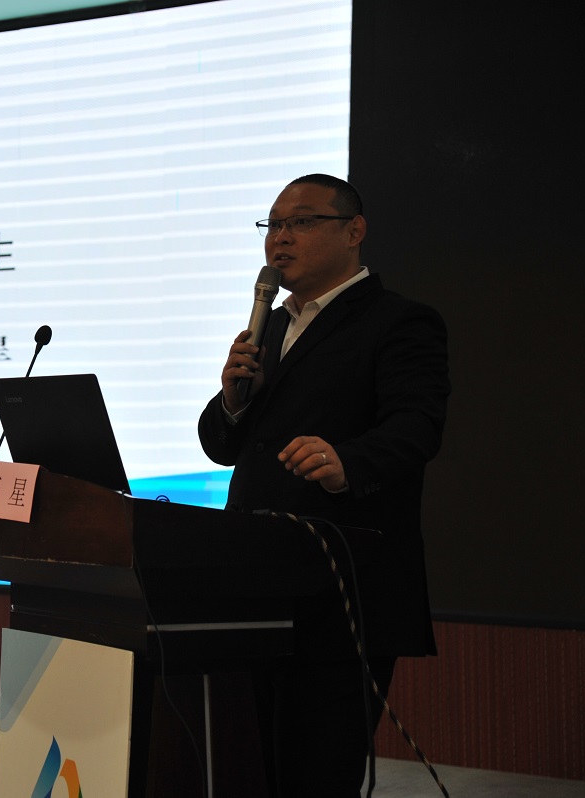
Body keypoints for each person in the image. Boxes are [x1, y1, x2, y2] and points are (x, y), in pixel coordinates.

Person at [197, 174, 450, 796]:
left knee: (316, 776)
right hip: (254, 588)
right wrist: (232, 400)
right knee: (249, 772)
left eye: (302, 222)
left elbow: (417, 427)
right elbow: (224, 445)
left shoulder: (400, 322)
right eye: (273, 225)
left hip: (341, 590)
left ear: (354, 231)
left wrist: (348, 462)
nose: (280, 238)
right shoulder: (268, 328)